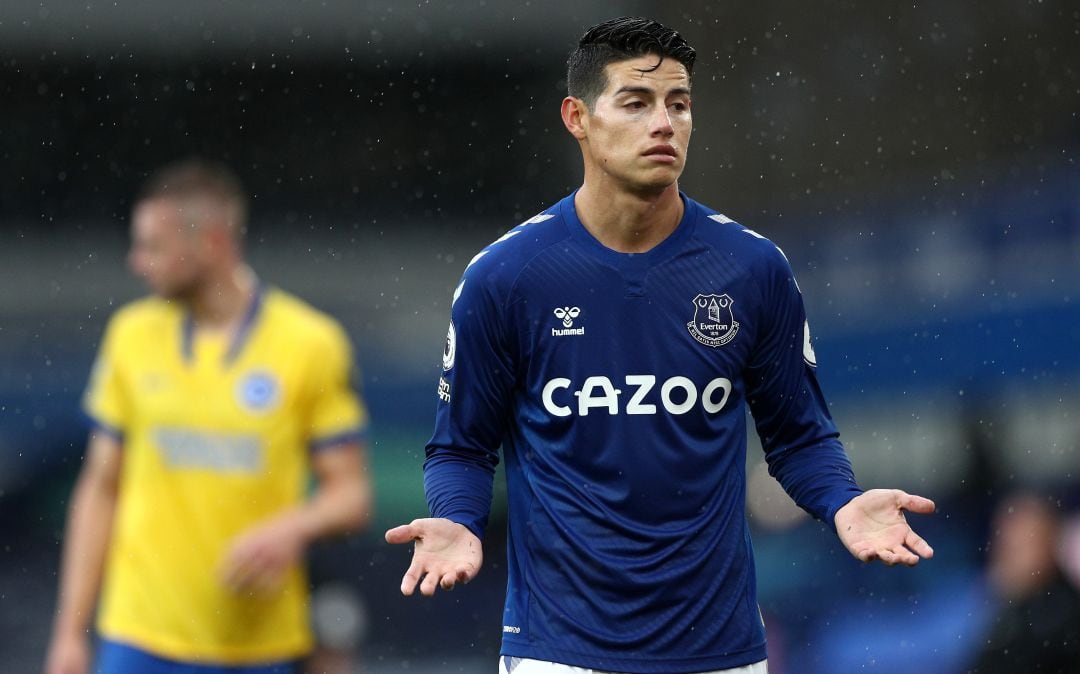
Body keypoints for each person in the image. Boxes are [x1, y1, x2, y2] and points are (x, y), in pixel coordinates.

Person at [385, 16, 935, 674]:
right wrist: (458, 520)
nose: (664, 123)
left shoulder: (752, 270)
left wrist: (843, 500)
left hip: (719, 651)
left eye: (679, 104)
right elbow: (461, 447)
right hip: (559, 652)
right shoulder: (506, 278)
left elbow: (797, 436)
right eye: (637, 102)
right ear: (577, 117)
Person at [44, 159, 374, 674]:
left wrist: (293, 528)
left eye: (153, 246)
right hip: (139, 637)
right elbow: (99, 488)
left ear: (212, 242)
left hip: (258, 645)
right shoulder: (130, 336)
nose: (137, 261)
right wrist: (69, 634)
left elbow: (351, 496)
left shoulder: (311, 344)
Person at [967, 491, 1080, 673]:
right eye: (1002, 544)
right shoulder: (1010, 613)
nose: (1004, 558)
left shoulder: (1060, 622)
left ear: (1049, 545)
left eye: (1017, 548)